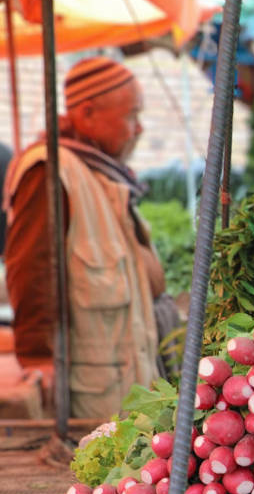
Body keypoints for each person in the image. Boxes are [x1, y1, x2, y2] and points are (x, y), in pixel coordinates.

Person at [3, 57, 168, 419]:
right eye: (130, 116)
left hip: (127, 383)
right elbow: (32, 270)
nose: (138, 128)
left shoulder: (100, 171)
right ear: (88, 113)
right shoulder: (51, 170)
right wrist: (38, 357)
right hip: (92, 394)